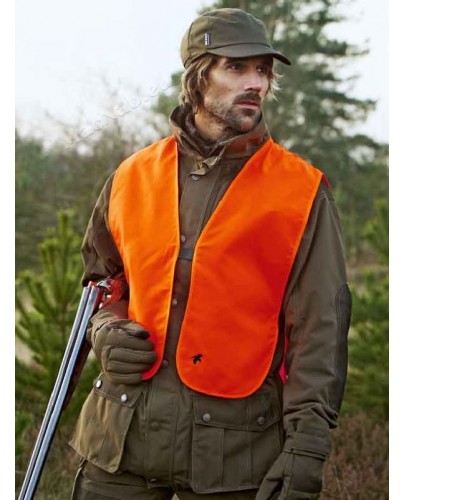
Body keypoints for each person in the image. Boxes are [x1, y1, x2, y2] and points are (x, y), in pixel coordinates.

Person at [69, 8, 351, 500]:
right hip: (120, 441)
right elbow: (103, 281)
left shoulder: (302, 190)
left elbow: (320, 328)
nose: (255, 83)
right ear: (198, 78)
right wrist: (106, 328)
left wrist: (307, 446)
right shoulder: (131, 176)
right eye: (236, 67)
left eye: (262, 70)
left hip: (235, 456)